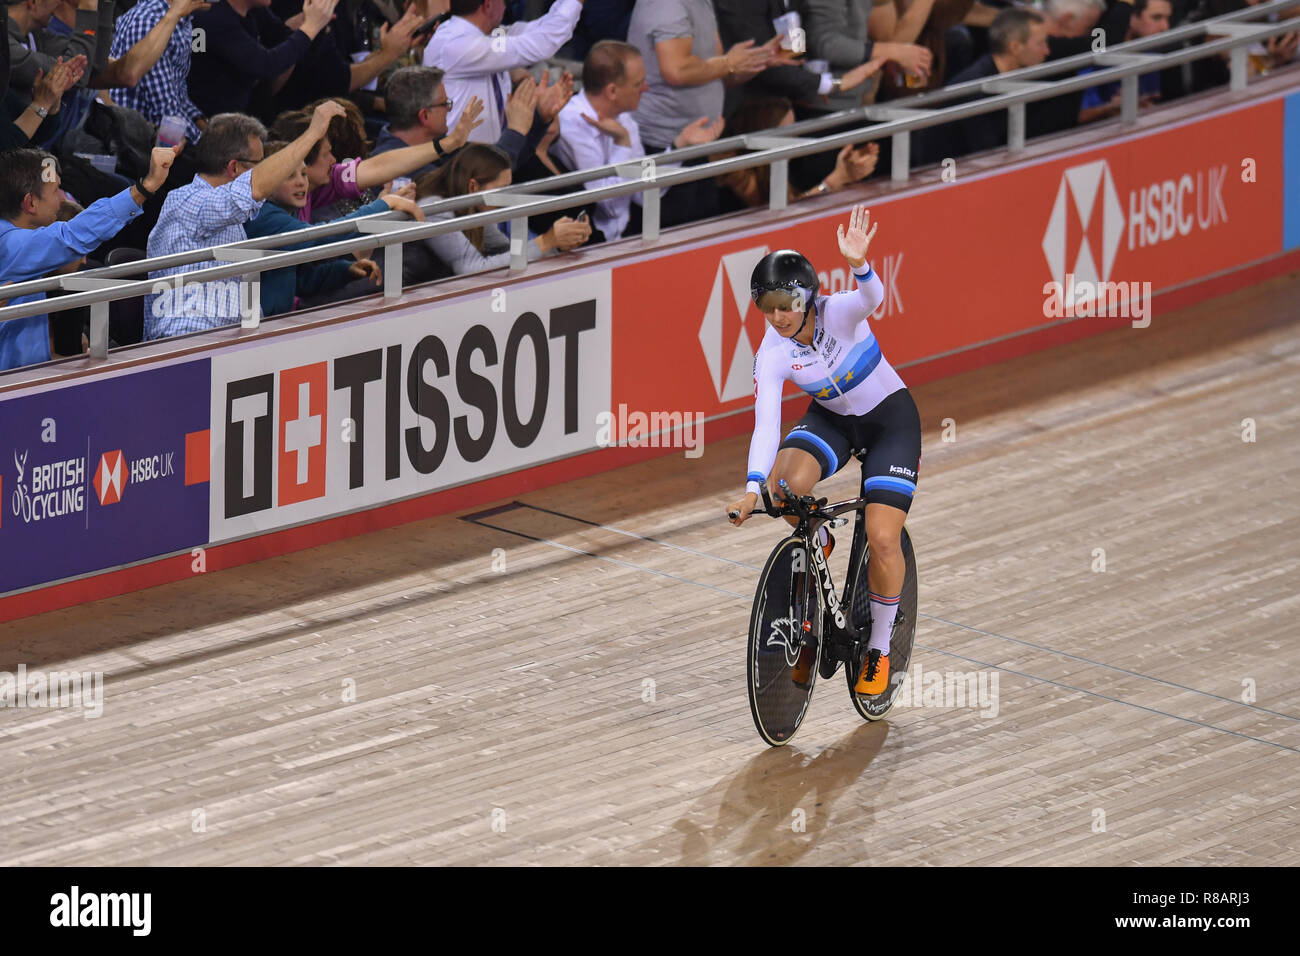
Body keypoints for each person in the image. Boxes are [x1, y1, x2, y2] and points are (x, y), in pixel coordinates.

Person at [727, 205, 921, 697]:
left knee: (881, 538)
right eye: (766, 307)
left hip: (889, 422)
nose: (776, 317)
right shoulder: (772, 351)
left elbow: (872, 297)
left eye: (785, 304)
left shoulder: (838, 311)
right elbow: (765, 425)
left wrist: (860, 264)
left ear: (808, 297)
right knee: (782, 489)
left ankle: (879, 644)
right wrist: (752, 488)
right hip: (833, 419)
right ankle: (820, 542)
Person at [144, 101, 347, 339]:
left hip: (227, 340)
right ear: (235, 168)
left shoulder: (231, 213)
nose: (265, 172)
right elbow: (255, 187)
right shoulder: (190, 201)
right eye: (259, 165)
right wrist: (313, 133)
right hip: (183, 343)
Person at [0, 143, 178, 370]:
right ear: (30, 203)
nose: (62, 200)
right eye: (55, 191)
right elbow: (74, 235)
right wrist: (145, 188)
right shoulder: (11, 246)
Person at [553, 39, 721, 242]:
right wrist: (622, 142)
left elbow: (643, 190)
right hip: (587, 243)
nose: (646, 89)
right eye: (638, 84)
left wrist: (678, 147)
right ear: (612, 91)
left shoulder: (624, 118)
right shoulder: (572, 125)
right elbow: (607, 205)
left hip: (622, 237)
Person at [243, 139, 426, 316]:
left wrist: (344, 271)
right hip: (248, 330)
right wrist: (383, 205)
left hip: (270, 324)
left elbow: (300, 280)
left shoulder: (286, 211)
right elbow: (319, 238)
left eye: (303, 174)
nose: (301, 182)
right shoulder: (261, 214)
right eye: (290, 175)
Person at [269, 92, 483, 222]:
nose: (334, 160)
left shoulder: (322, 182)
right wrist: (381, 207)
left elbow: (380, 165)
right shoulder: (266, 211)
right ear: (300, 161)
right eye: (326, 154)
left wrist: (448, 143)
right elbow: (315, 243)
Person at [413, 141, 589, 274]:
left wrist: (558, 244)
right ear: (473, 186)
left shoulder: (473, 203)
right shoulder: (433, 207)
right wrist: (546, 241)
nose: (505, 198)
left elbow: (504, 251)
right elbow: (471, 269)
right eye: (500, 189)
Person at [423, 0, 584, 145]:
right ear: (488, 5)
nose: (506, 6)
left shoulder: (488, 35)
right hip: (458, 164)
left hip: (488, 159)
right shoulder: (455, 43)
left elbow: (542, 29)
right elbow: (544, 42)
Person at [716, 95, 877, 212]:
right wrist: (833, 182)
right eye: (788, 133)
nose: (795, 139)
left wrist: (848, 173)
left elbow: (792, 202)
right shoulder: (737, 173)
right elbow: (778, 216)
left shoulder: (784, 165)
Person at [187, 0, 340, 119]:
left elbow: (287, 41)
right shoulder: (210, 15)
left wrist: (315, 20)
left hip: (246, 117)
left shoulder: (255, 10)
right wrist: (311, 27)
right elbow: (266, 65)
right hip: (207, 125)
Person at [107, 0, 216, 144]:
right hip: (134, 144)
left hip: (158, 137)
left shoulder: (182, 20)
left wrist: (202, 125)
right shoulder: (149, 20)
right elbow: (166, 112)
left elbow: (178, 95)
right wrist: (207, 145)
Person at [803, 0, 935, 109]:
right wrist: (892, 52)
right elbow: (827, 44)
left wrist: (889, 57)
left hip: (856, 100)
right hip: (826, 104)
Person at [1078, 0, 1172, 123]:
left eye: (1167, 18)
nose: (1165, 27)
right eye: (1156, 18)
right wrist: (1107, 109)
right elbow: (1074, 116)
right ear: (1131, 17)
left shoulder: (1152, 55)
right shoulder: (1094, 58)